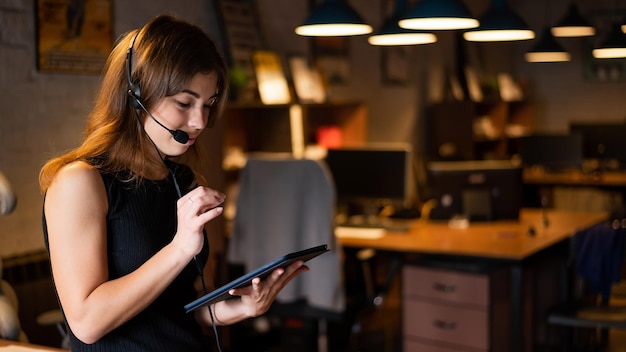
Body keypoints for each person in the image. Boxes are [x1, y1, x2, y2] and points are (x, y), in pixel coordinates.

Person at [39, 14, 308, 352]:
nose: (199, 122)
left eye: (207, 105)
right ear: (136, 94)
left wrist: (241, 308)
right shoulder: (79, 182)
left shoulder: (180, 180)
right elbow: (87, 323)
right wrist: (180, 248)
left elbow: (178, 310)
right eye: (184, 103)